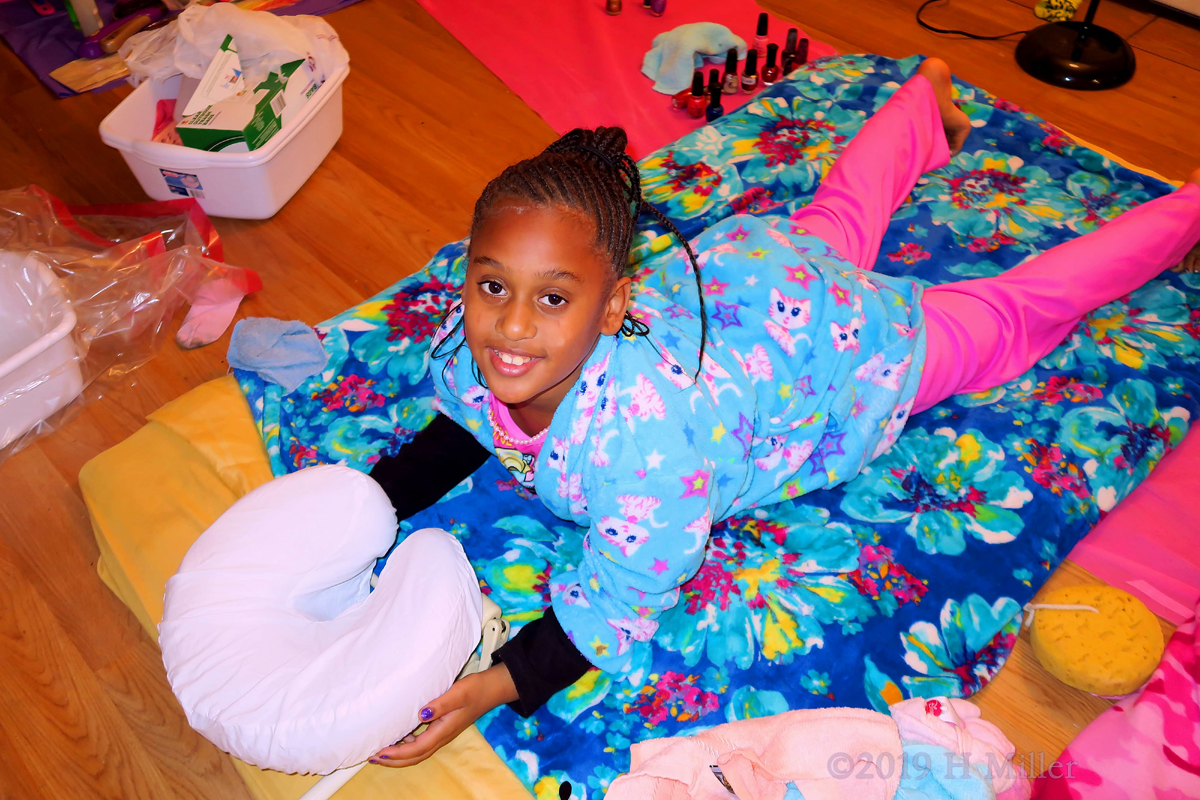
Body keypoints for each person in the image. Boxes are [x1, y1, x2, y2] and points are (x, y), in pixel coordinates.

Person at [366, 57, 1200, 766]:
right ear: (469, 275)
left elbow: (619, 599)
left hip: (844, 352)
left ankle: (1186, 210)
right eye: (491, 286)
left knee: (1016, 311)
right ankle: (927, 96)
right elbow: (465, 421)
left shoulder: (649, 456)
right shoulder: (476, 345)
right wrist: (372, 502)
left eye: (553, 297)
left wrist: (491, 686)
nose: (510, 326)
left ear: (616, 306)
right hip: (755, 277)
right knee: (837, 219)